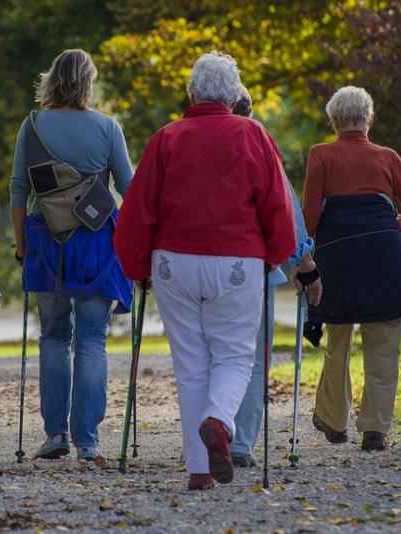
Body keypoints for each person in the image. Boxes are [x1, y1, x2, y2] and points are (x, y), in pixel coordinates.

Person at [114, 51, 296, 490]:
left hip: (174, 260)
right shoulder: (253, 134)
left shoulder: (167, 138)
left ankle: (199, 470)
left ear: (191, 92)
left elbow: (139, 210)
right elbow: (276, 204)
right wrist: (276, 253)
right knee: (234, 354)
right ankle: (219, 420)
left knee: (191, 362)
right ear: (235, 94)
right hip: (236, 259)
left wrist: (137, 266)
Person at [10, 49, 134, 462]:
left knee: (53, 335)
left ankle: (54, 434)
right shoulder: (107, 127)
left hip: (46, 239)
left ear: (51, 80)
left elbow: (18, 190)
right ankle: (88, 441)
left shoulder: (32, 127)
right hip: (97, 241)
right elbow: (128, 190)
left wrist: (21, 243)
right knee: (92, 338)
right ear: (88, 82)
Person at [301, 86, 401, 452]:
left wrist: (304, 254)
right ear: (369, 119)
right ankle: (375, 430)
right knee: (384, 341)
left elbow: (310, 215)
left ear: (334, 121)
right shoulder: (388, 157)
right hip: (385, 257)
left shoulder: (320, 155)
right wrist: (388, 231)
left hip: (337, 257)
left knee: (338, 339)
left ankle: (334, 420)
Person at [229, 88, 319, 468]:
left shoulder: (188, 141)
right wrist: (305, 266)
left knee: (213, 356)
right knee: (253, 357)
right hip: (256, 269)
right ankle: (241, 443)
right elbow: (286, 210)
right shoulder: (260, 144)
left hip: (199, 267)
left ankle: (212, 432)